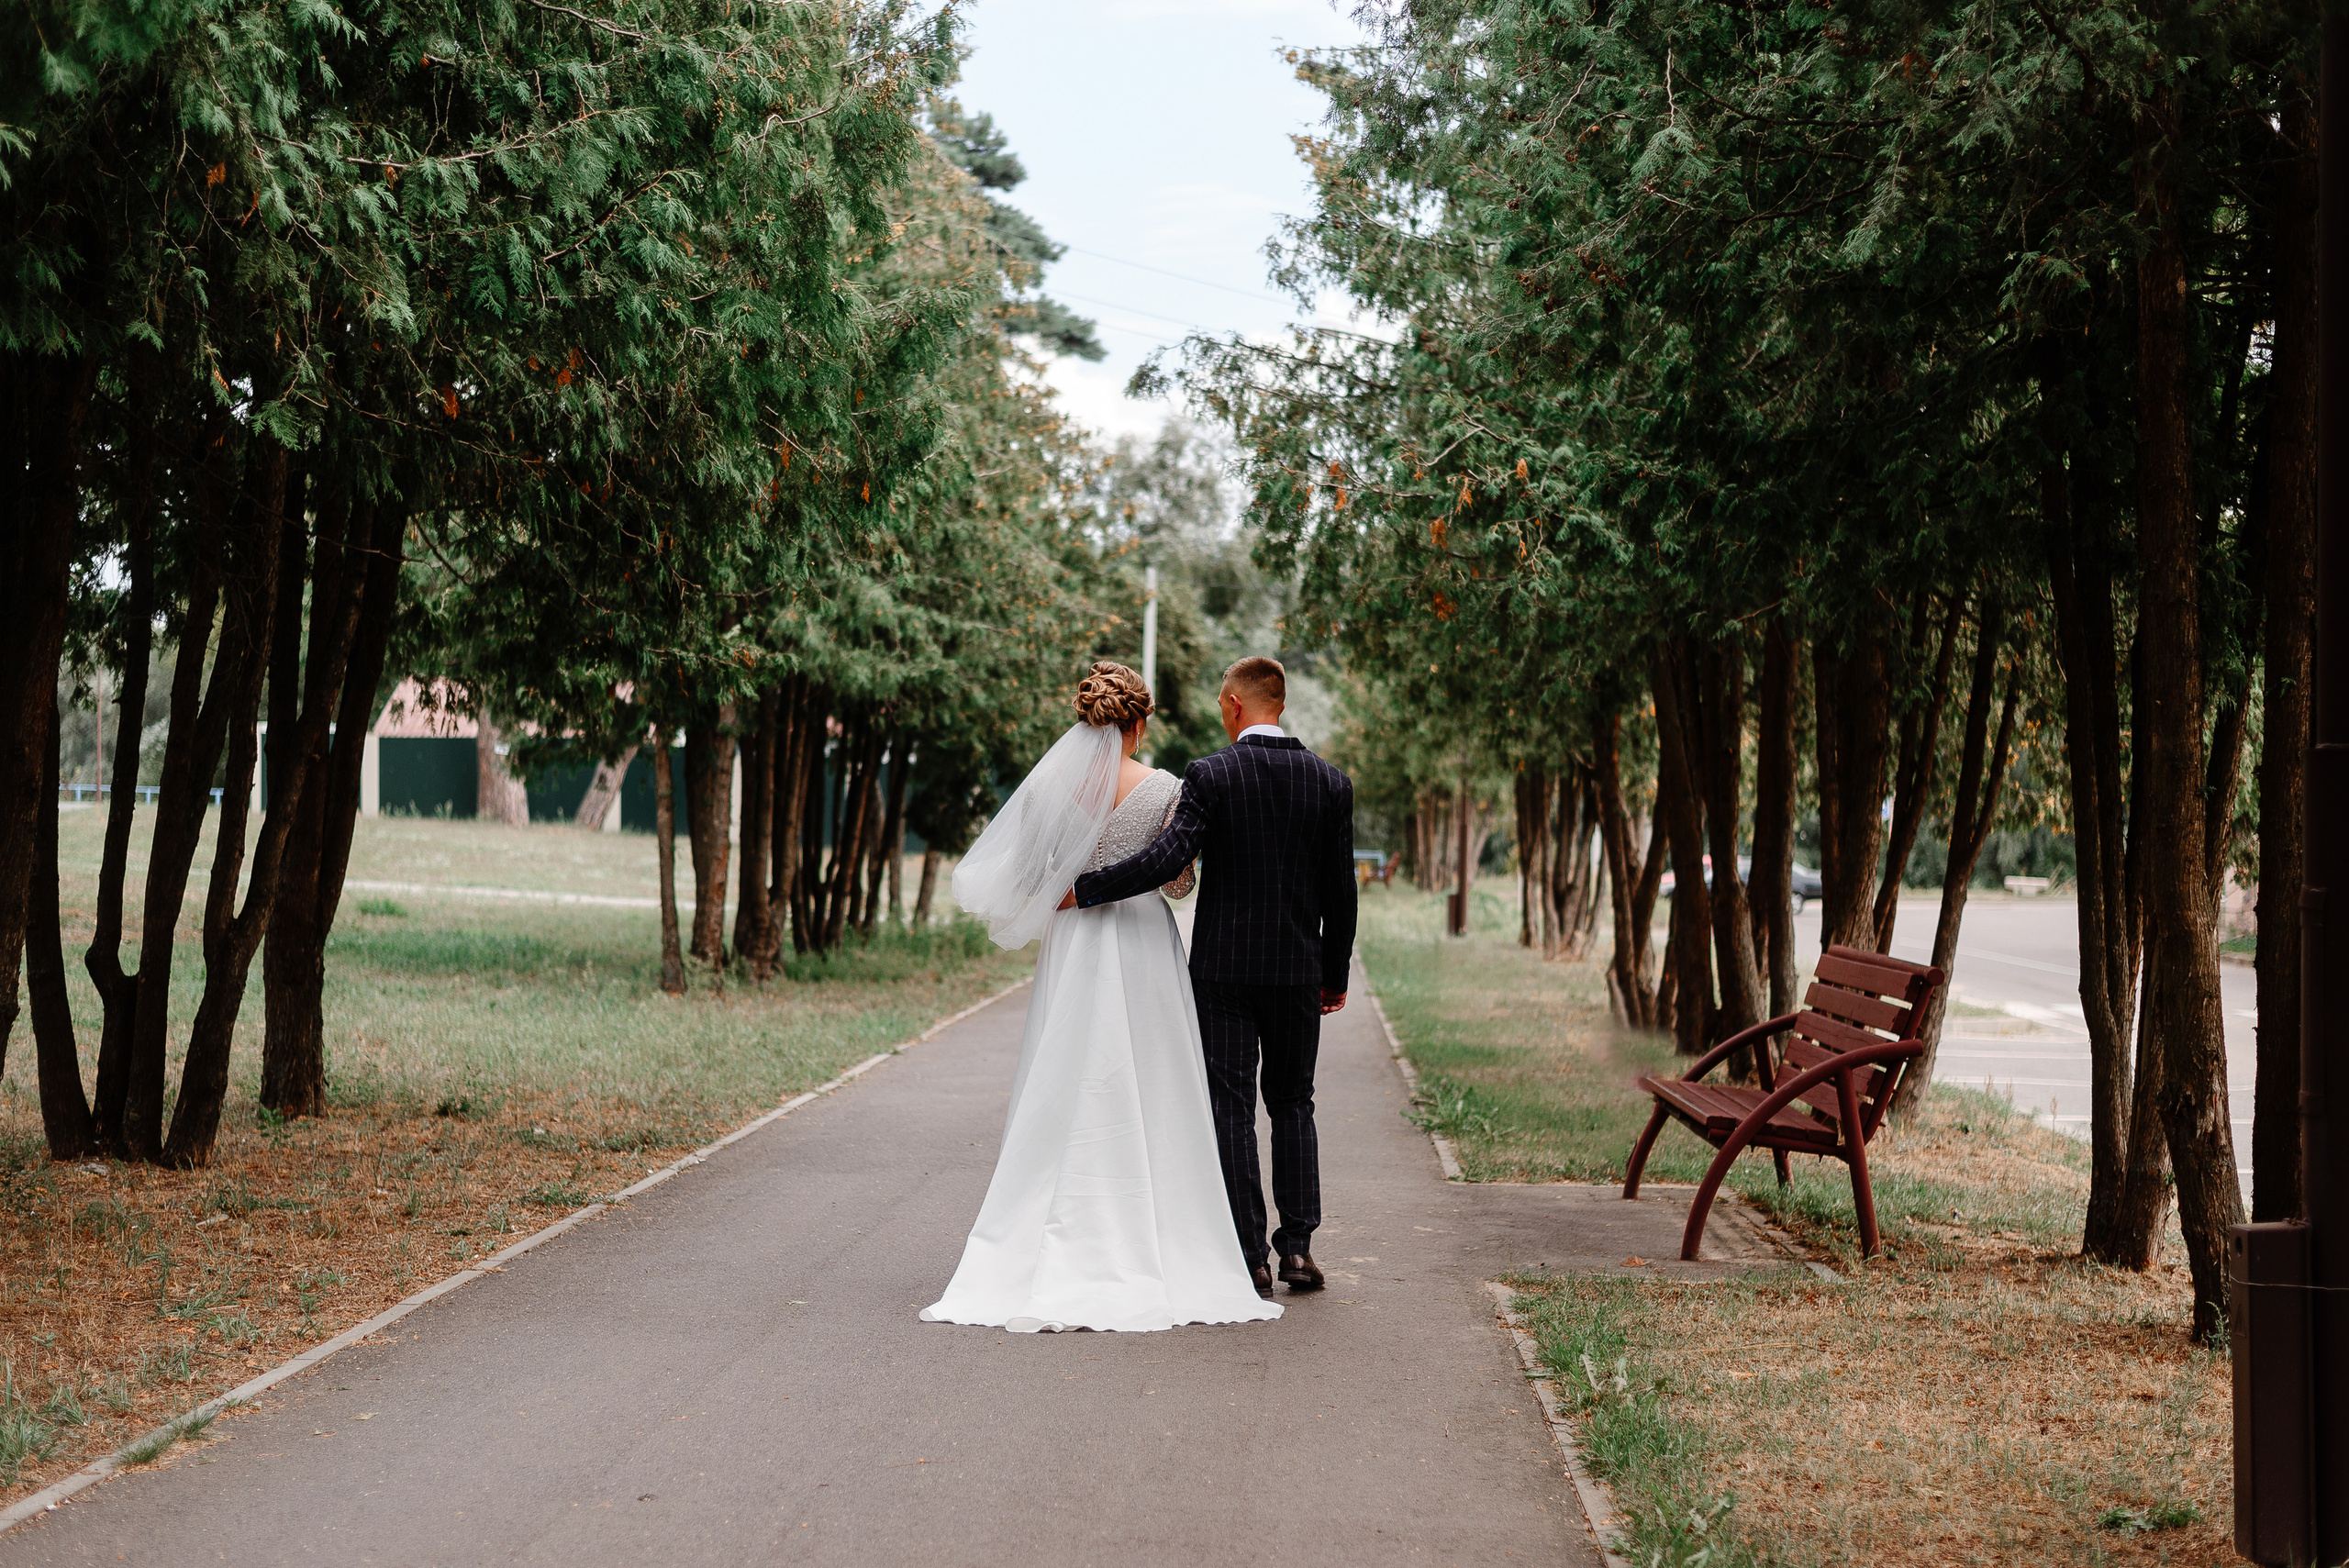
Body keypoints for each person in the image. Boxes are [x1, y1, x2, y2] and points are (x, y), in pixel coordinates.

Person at [919, 662, 1282, 1333]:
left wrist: (1074, 873)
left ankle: (1044, 1228)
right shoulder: (1166, 787)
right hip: (1142, 942)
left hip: (1074, 945)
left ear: (1088, 721)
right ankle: (1157, 1233)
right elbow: (1178, 885)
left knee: (1064, 1078)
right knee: (1150, 1082)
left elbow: (1029, 874)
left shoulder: (1050, 788)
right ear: (1138, 724)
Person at [1063, 655, 1357, 1300]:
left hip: (1223, 971)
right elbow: (1343, 892)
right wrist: (1332, 973)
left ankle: (1249, 1255)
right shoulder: (1330, 783)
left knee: (1230, 1106)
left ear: (1232, 704)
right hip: (1295, 972)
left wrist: (1086, 888)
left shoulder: (1211, 774)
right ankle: (1299, 1249)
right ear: (1279, 703)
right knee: (1293, 1102)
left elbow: (1168, 859)